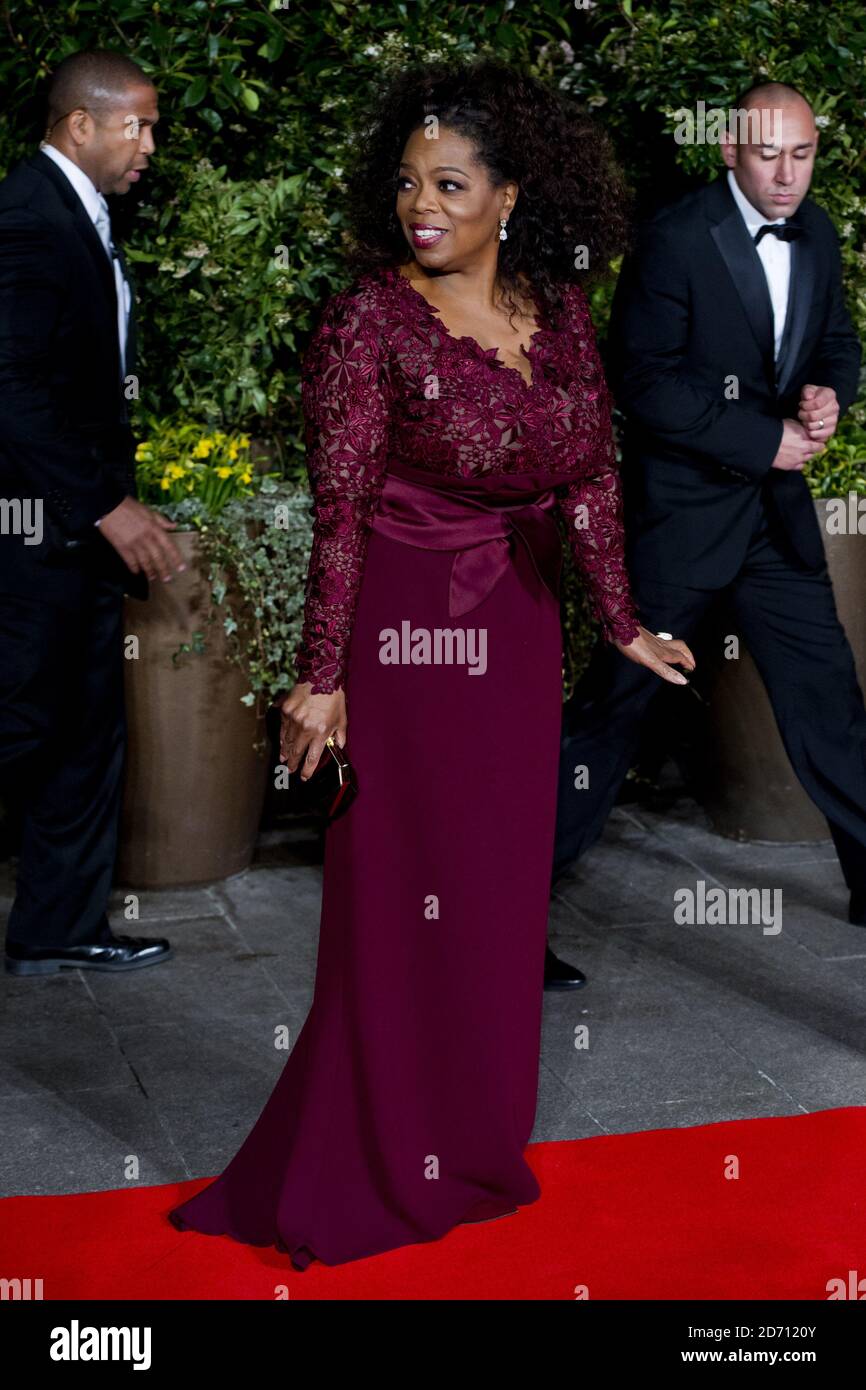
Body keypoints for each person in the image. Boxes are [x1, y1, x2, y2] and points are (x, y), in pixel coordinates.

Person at [168, 58, 693, 1270]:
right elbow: (341, 510)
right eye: (408, 183)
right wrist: (321, 673)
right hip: (403, 640)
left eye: (450, 183)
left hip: (511, 635)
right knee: (399, 888)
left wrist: (615, 618)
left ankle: (466, 1141)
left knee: (496, 888)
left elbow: (589, 472)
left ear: (508, 198)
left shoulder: (555, 310)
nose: (423, 205)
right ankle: (372, 1151)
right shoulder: (367, 320)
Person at [551, 81, 866, 922]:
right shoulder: (677, 238)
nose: (788, 174)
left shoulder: (819, 232)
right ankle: (509, 901)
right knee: (613, 711)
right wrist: (759, 439)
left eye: (803, 154)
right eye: (770, 154)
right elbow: (642, 382)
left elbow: (834, 342)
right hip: (682, 525)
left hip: (775, 527)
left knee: (830, 703)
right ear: (730, 149)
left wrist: (831, 392)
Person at [0, 50, 185, 977]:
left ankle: (58, 924)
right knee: (23, 722)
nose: (149, 144)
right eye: (138, 125)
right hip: (30, 532)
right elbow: (11, 391)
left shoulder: (81, 211)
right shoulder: (28, 217)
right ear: (83, 125)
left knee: (82, 730)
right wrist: (106, 506)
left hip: (72, 537)